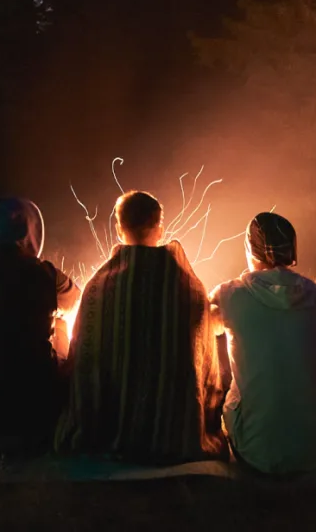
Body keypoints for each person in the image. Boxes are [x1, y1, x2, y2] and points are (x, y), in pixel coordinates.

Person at [56, 190, 226, 463]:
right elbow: (205, 364)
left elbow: (83, 362)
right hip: (173, 431)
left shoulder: (99, 286)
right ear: (160, 228)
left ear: (119, 229)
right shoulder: (188, 285)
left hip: (107, 427)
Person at [209, 211, 316, 477]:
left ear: (249, 249)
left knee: (219, 341)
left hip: (257, 451)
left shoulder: (228, 295)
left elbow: (201, 327)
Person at [0, 196, 82, 457]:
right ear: (32, 232)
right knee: (61, 323)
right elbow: (75, 298)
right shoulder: (45, 274)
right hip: (34, 430)